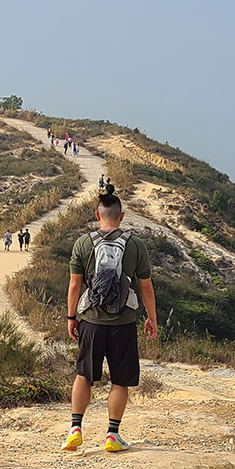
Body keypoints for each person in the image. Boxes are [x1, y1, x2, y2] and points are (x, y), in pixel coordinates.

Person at [64, 186, 158, 452]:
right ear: (122, 216)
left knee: (83, 375)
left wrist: (72, 317)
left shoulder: (83, 243)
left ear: (97, 214)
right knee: (120, 380)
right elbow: (146, 287)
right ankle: (112, 435)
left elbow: (74, 286)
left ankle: (75, 428)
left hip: (91, 321)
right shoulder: (136, 244)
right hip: (124, 321)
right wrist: (151, 318)